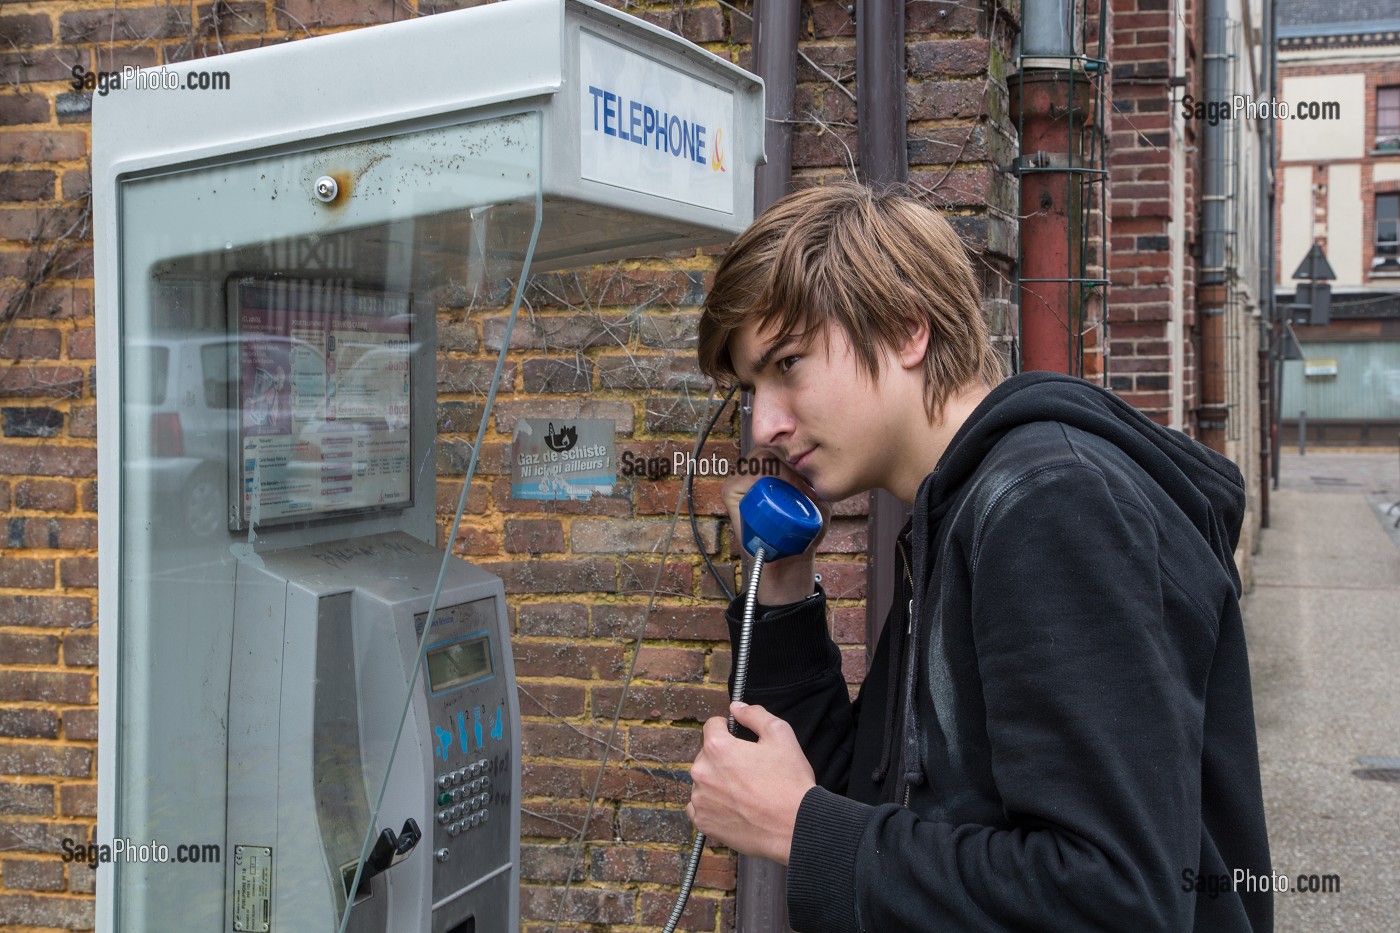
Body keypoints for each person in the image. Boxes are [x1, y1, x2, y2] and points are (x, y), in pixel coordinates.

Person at [686, 182, 1273, 932]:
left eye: (789, 363)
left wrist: (805, 830)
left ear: (907, 329)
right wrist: (783, 580)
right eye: (751, 389)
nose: (764, 425)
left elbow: (1114, 899)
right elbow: (863, 797)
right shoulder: (954, 513)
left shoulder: (1049, 507)